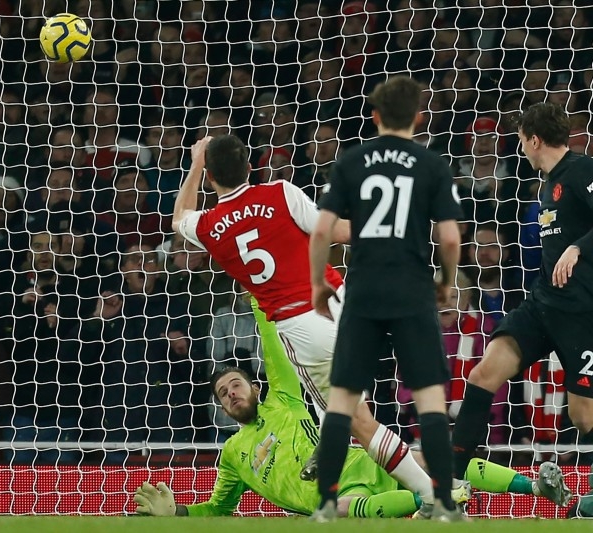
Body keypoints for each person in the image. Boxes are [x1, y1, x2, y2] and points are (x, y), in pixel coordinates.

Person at [173, 134, 439, 508]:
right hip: (345, 303)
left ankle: (432, 497)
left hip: (301, 324)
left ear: (212, 178)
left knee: (359, 423)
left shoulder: (207, 227)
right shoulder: (282, 192)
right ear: (251, 167)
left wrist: (196, 162)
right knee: (349, 409)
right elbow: (340, 232)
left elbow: (179, 217)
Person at [133, 301, 572, 517]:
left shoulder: (281, 397)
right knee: (347, 509)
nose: (231, 393)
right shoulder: (232, 456)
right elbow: (217, 510)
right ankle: (435, 497)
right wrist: (180, 513)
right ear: (223, 411)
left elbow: (272, 345)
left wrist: (258, 294)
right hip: (337, 496)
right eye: (224, 394)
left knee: (426, 458)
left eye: (235, 384)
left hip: (359, 458)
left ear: (253, 386)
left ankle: (535, 487)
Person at [309, 75, 463, 521]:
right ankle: (444, 503)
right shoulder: (431, 163)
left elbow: (321, 230)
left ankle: (325, 505)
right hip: (413, 290)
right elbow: (450, 238)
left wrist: (320, 282)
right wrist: (447, 280)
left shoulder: (351, 162)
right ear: (418, 116)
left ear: (374, 116)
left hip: (363, 291)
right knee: (430, 398)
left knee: (342, 400)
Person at [447, 102, 593, 519]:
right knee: (482, 375)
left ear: (534, 139)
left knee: (585, 417)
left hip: (581, 314)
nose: (521, 151)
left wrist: (578, 247)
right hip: (542, 305)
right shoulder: (545, 185)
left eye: (521, 142)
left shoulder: (582, 171)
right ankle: (452, 487)